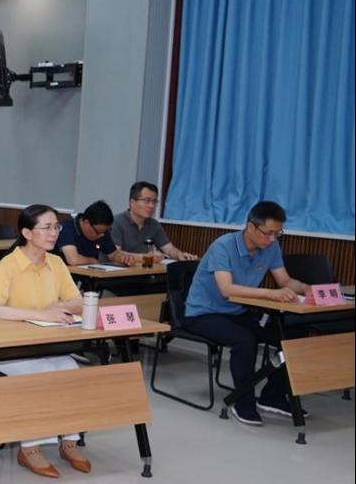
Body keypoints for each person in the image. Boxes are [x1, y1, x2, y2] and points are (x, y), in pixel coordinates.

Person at [0, 204, 87, 479]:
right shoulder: (8, 265)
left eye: (56, 227)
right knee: (41, 375)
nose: (54, 233)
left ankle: (69, 442)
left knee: (70, 370)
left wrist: (60, 307)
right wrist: (41, 314)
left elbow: (78, 301)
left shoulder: (56, 263)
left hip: (43, 343)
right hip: (6, 348)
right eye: (47, 228)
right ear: (27, 233)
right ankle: (29, 447)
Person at [185, 201, 309, 426]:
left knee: (292, 336)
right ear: (251, 226)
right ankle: (243, 402)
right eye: (268, 233)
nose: (272, 239)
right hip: (203, 313)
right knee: (244, 340)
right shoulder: (223, 246)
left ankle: (273, 397)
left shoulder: (271, 248)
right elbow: (227, 289)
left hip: (237, 312)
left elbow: (284, 280)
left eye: (278, 233)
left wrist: (306, 288)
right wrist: (270, 294)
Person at [110, 181, 199, 262]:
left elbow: (169, 249)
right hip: (119, 272)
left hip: (144, 271)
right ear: (132, 202)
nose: (151, 206)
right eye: (146, 201)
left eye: (154, 201)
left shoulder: (154, 224)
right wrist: (146, 257)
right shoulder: (116, 222)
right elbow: (115, 254)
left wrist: (180, 255)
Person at [56, 200, 134, 267]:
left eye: (104, 231)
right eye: (98, 232)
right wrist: (93, 261)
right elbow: (73, 260)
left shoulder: (102, 231)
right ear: (86, 223)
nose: (101, 235)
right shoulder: (67, 228)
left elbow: (113, 254)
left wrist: (123, 258)